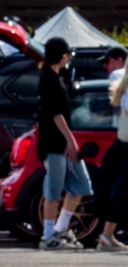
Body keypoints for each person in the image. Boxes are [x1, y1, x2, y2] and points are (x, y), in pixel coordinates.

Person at [37, 38, 90, 250]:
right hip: (53, 143)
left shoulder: (57, 78)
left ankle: (60, 228)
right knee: (54, 190)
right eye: (66, 53)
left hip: (60, 143)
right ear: (61, 55)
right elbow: (55, 113)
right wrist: (71, 139)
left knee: (81, 186)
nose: (68, 57)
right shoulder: (49, 79)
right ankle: (48, 236)